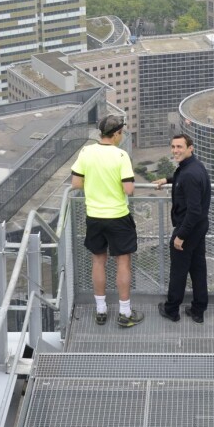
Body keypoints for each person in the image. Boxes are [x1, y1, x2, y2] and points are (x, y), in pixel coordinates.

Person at [71, 115, 144, 328]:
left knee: (98, 261)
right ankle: (124, 312)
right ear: (117, 134)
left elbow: (76, 183)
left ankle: (101, 310)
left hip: (94, 216)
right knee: (123, 263)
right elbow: (128, 189)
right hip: (118, 216)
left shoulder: (86, 152)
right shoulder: (121, 156)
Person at [152, 133, 211, 324]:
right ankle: (198, 310)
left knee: (178, 271)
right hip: (199, 227)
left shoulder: (189, 175)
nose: (175, 150)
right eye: (173, 146)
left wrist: (180, 236)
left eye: (180, 147)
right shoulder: (194, 167)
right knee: (198, 268)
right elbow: (182, 179)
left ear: (190, 148)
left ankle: (171, 310)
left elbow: (193, 210)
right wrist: (167, 180)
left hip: (188, 228)